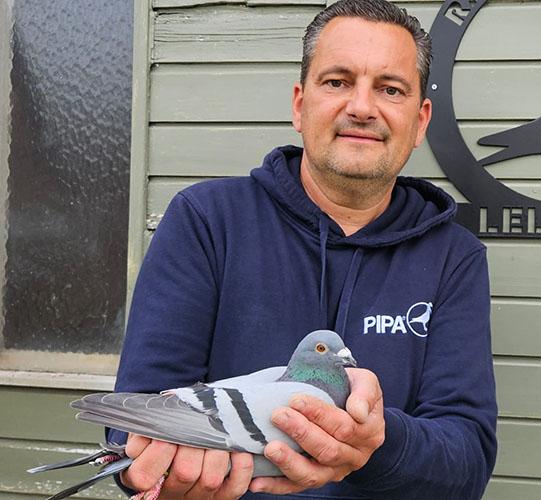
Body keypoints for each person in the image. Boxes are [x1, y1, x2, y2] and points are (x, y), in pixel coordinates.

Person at [110, 0, 497, 498]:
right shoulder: (207, 221)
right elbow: (132, 427)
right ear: (299, 104)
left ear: (420, 121)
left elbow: (466, 463)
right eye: (337, 82)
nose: (361, 107)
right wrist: (148, 467)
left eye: (390, 89)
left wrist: (376, 441)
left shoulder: (453, 257)